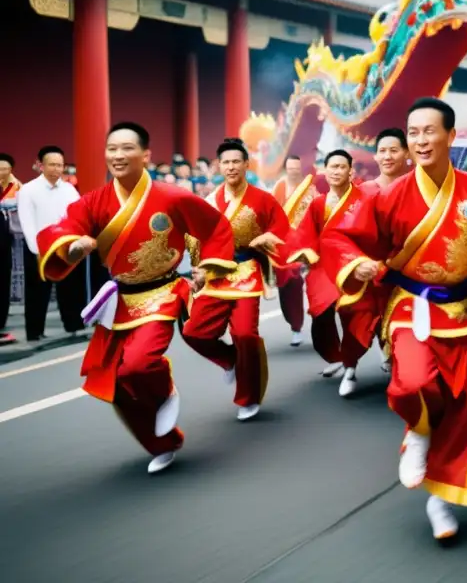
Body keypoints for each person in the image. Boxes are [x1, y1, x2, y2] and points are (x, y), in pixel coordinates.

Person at [321, 98, 467, 542]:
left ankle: (442, 500)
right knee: (413, 382)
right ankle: (418, 431)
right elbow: (341, 236)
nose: (419, 140)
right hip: (412, 305)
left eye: (428, 131)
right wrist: (357, 263)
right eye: (413, 132)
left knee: (464, 402)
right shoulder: (389, 195)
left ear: (450, 135)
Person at [35, 123, 237, 474]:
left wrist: (207, 267)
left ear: (146, 155)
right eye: (111, 148)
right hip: (120, 301)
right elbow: (64, 228)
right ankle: (162, 443)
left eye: (126, 148)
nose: (116, 155)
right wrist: (71, 248)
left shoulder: (172, 196)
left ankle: (165, 389)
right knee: (116, 382)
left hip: (163, 292)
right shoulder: (94, 202)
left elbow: (215, 227)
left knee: (139, 364)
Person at [182, 138, 291, 422]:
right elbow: (197, 237)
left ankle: (248, 396)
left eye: (235, 162)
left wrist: (268, 239)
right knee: (193, 332)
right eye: (225, 162)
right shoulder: (210, 200)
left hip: (246, 273)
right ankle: (229, 360)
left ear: (246, 164)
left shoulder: (262, 199)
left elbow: (282, 229)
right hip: (216, 275)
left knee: (245, 334)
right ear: (219, 166)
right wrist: (198, 271)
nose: (231, 167)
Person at [284, 149, 379, 395]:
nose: (336, 171)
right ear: (324, 171)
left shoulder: (364, 200)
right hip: (323, 266)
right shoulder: (318, 203)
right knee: (320, 311)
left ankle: (350, 365)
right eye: (331, 167)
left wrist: (362, 261)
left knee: (354, 311)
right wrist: (307, 252)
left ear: (351, 171)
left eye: (341, 167)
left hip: (352, 265)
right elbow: (306, 234)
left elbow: (371, 235)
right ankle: (334, 355)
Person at [17, 146, 86, 340]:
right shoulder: (29, 190)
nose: (56, 169)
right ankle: (35, 332)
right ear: (40, 165)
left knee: (71, 288)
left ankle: (74, 326)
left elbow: (77, 216)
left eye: (60, 165)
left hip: (66, 246)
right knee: (37, 292)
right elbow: (27, 222)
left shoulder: (69, 188)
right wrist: (35, 249)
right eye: (52, 165)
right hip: (40, 248)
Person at [361, 128, 412, 373]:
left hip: (414, 266)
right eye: (382, 151)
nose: (388, 156)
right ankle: (390, 354)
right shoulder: (364, 191)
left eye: (394, 150)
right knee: (381, 314)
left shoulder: (419, 186)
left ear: (407, 153)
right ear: (375, 157)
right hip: (378, 267)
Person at [272, 154, 319, 346]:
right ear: (286, 169)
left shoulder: (311, 189)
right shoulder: (279, 187)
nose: (293, 171)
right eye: (290, 168)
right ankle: (296, 326)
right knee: (289, 283)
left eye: (296, 168)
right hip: (285, 244)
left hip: (309, 241)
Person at [0, 153, 21, 344]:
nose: (2, 172)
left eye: (6, 168)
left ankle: (2, 325)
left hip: (6, 243)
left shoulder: (15, 188)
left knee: (4, 282)